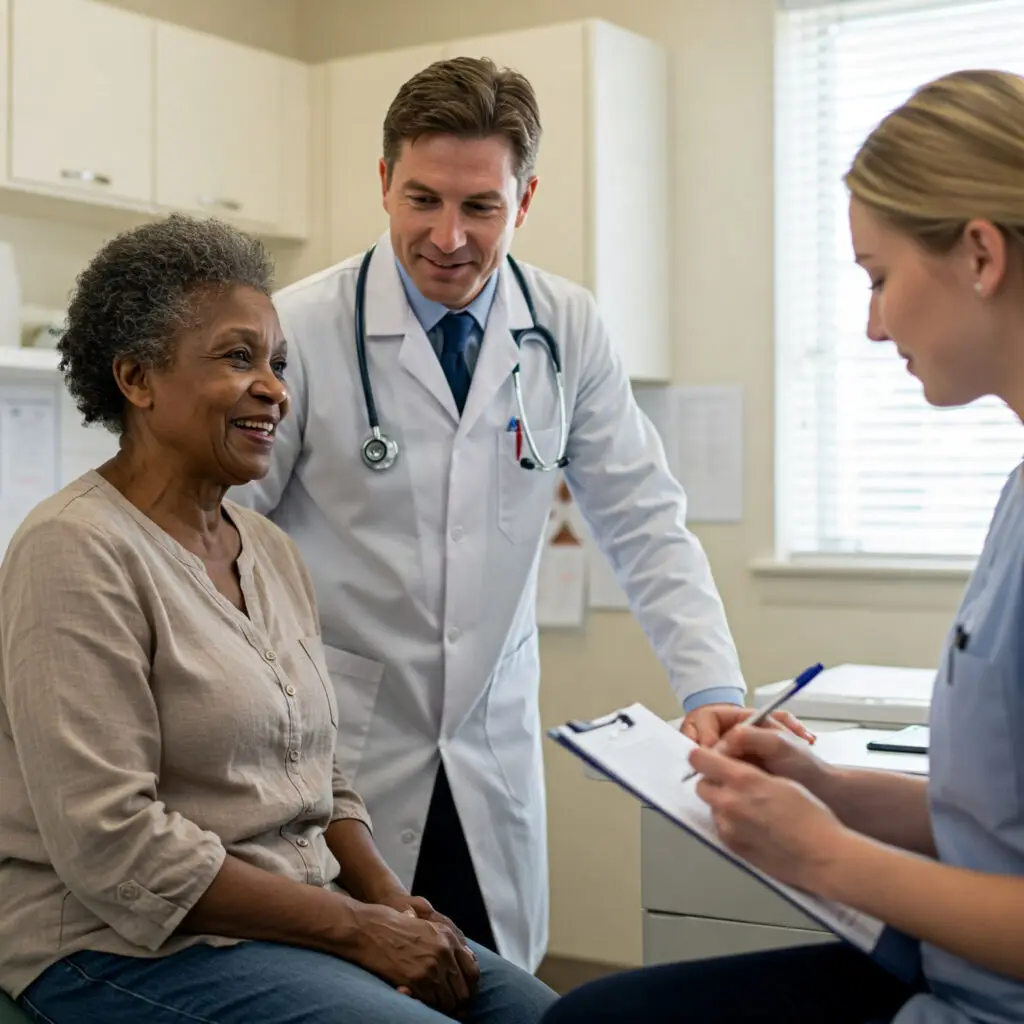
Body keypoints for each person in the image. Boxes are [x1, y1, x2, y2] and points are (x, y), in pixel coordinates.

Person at [233, 55, 812, 972]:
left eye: (481, 207)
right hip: (340, 752)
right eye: (422, 199)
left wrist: (711, 692)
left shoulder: (565, 325)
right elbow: (225, 542)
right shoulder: (300, 330)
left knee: (495, 980)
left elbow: (642, 517)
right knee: (358, 987)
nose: (449, 237)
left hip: (489, 741)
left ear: (526, 198)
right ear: (383, 182)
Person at [539, 68, 1024, 1024]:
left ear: (980, 253)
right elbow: (998, 831)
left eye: (880, 278)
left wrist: (827, 855)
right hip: (948, 969)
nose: (873, 323)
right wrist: (828, 788)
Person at [0, 214, 557, 1024]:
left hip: (294, 922)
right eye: (238, 358)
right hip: (120, 944)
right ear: (136, 379)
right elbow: (112, 843)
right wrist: (354, 930)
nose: (275, 388)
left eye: (279, 363)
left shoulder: (266, 548)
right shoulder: (73, 551)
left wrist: (391, 907)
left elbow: (319, 779)